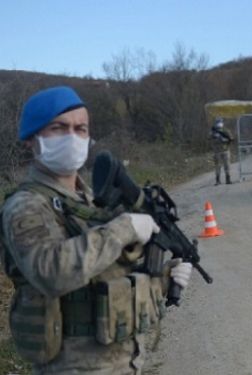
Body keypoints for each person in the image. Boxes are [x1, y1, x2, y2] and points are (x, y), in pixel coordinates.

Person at [0, 86, 193, 374]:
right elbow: (53, 273)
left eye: (81, 129)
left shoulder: (88, 200)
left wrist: (163, 280)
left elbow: (105, 273)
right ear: (32, 139)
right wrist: (123, 229)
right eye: (58, 127)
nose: (72, 137)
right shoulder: (26, 205)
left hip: (123, 361)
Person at [209, 118, 234, 185]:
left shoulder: (226, 130)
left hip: (225, 150)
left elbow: (231, 139)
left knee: (227, 165)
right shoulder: (213, 132)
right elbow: (210, 140)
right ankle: (218, 180)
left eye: (220, 122)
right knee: (217, 166)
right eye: (218, 122)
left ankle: (228, 179)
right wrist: (216, 138)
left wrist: (225, 139)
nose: (219, 123)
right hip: (217, 151)